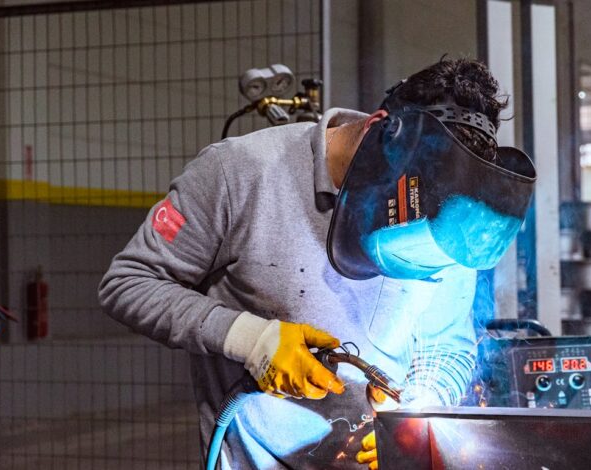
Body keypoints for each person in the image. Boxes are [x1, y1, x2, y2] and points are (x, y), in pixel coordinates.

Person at [99, 58, 535, 469]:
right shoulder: (239, 173)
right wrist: (251, 338)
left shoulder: (450, 213)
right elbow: (129, 282)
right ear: (379, 131)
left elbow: (449, 348)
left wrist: (411, 419)